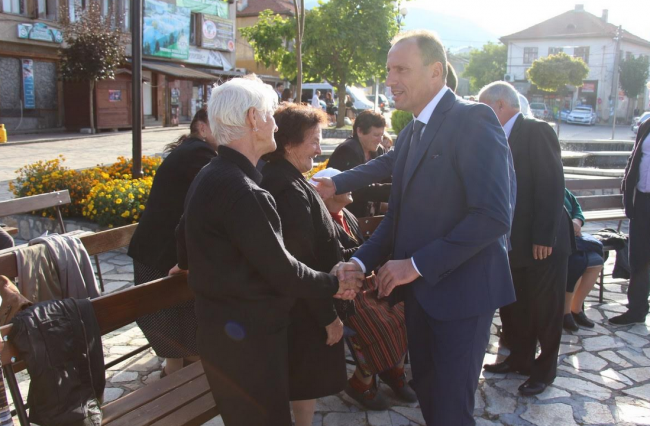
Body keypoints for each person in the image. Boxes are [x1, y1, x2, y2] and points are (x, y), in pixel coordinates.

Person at [325, 30, 515, 425]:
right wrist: (359, 264)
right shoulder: (414, 128)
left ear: (435, 72)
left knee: (450, 409)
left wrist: (414, 264)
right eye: (388, 69)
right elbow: (397, 217)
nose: (390, 79)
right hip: (422, 299)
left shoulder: (473, 118)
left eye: (400, 69)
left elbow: (493, 216)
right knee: (431, 400)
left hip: (462, 297)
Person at [175, 76, 363, 426]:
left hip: (226, 338)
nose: (275, 125)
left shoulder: (211, 174)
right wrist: (334, 282)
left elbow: (183, 249)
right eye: (270, 116)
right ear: (252, 119)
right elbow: (284, 273)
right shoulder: (243, 189)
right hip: (249, 346)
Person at [479, 81, 572, 396]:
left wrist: (544, 235)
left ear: (500, 105)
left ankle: (544, 372)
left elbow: (551, 183)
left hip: (542, 241)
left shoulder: (535, 130)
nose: (480, 113)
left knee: (545, 308)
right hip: (512, 243)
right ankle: (518, 359)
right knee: (515, 306)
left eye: (484, 107)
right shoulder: (497, 136)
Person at [259, 104, 349, 426]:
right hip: (301, 310)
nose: (319, 149)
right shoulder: (284, 188)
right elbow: (302, 263)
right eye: (314, 141)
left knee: (302, 380)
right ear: (288, 144)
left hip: (302, 304)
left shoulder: (287, 177)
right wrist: (329, 318)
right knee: (302, 375)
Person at [311, 167, 415, 410]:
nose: (348, 189)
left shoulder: (346, 214)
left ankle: (394, 370)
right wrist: (368, 253)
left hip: (364, 283)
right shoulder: (319, 219)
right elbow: (332, 261)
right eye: (340, 185)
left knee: (404, 309)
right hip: (343, 293)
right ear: (326, 194)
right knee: (377, 321)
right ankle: (362, 381)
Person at [127, 108, 217, 376]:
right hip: (160, 252)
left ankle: (175, 373)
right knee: (173, 319)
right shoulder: (198, 154)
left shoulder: (193, 150)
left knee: (177, 319)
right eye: (219, 125)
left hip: (157, 249)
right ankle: (177, 376)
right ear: (201, 127)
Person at [609, 114, 650, 325]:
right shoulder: (646, 125)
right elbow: (635, 158)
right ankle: (637, 308)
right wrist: (627, 185)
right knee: (639, 257)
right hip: (642, 201)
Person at [327, 110, 391, 218]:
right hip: (346, 217)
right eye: (376, 135)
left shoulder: (379, 150)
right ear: (360, 131)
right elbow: (359, 189)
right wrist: (394, 191)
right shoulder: (347, 150)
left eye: (381, 135)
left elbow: (388, 178)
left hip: (369, 219)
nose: (380, 140)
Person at [563, 188, 604, 331]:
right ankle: (565, 312)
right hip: (559, 239)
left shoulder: (564, 189)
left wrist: (577, 221)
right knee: (578, 261)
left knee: (596, 261)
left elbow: (576, 207)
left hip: (575, 237)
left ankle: (576, 308)